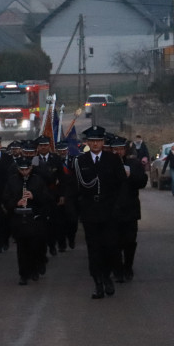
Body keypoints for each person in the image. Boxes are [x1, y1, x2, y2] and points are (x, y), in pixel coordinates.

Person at [74, 125, 126, 299]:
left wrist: (117, 207)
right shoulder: (81, 161)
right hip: (90, 212)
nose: (95, 144)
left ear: (103, 142)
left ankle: (107, 277)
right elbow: (76, 188)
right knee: (94, 250)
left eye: (98, 141)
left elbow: (121, 186)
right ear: (88, 143)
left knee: (110, 247)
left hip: (109, 211)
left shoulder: (113, 160)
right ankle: (97, 282)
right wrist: (77, 210)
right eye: (92, 141)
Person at [4, 157, 54, 285]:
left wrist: (34, 196)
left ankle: (34, 270)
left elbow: (47, 198)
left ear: (31, 168)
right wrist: (16, 202)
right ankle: (23, 274)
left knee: (34, 247)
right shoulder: (12, 180)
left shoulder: (38, 180)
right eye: (22, 169)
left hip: (34, 219)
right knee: (22, 249)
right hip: (19, 219)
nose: (24, 172)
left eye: (27, 169)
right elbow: (5, 199)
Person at [111, 136, 147, 281]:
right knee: (114, 242)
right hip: (112, 210)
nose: (118, 152)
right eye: (115, 149)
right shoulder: (106, 164)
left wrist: (130, 175)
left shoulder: (133, 163)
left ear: (125, 150)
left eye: (120, 149)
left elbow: (142, 182)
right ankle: (118, 269)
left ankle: (128, 267)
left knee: (129, 241)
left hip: (130, 210)